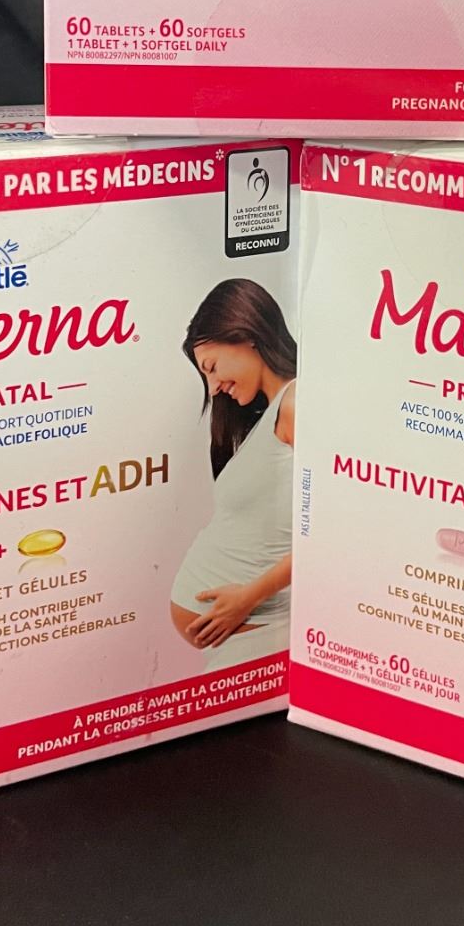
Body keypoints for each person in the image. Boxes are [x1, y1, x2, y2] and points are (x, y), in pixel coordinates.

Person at [169, 278, 296, 671]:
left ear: (247, 337)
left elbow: (331, 531)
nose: (213, 387)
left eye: (211, 367)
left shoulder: (296, 403)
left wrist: (249, 598)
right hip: (241, 635)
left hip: (257, 628)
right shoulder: (271, 412)